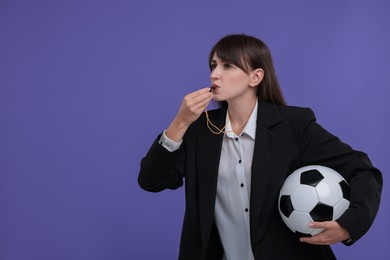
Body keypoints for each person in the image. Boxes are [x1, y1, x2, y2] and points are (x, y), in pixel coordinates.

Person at [138, 34, 382, 259]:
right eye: (213, 65)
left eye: (227, 66)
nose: (214, 74)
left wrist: (348, 225)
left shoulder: (293, 125)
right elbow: (151, 180)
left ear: (255, 76)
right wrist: (179, 122)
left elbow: (361, 169)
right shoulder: (200, 130)